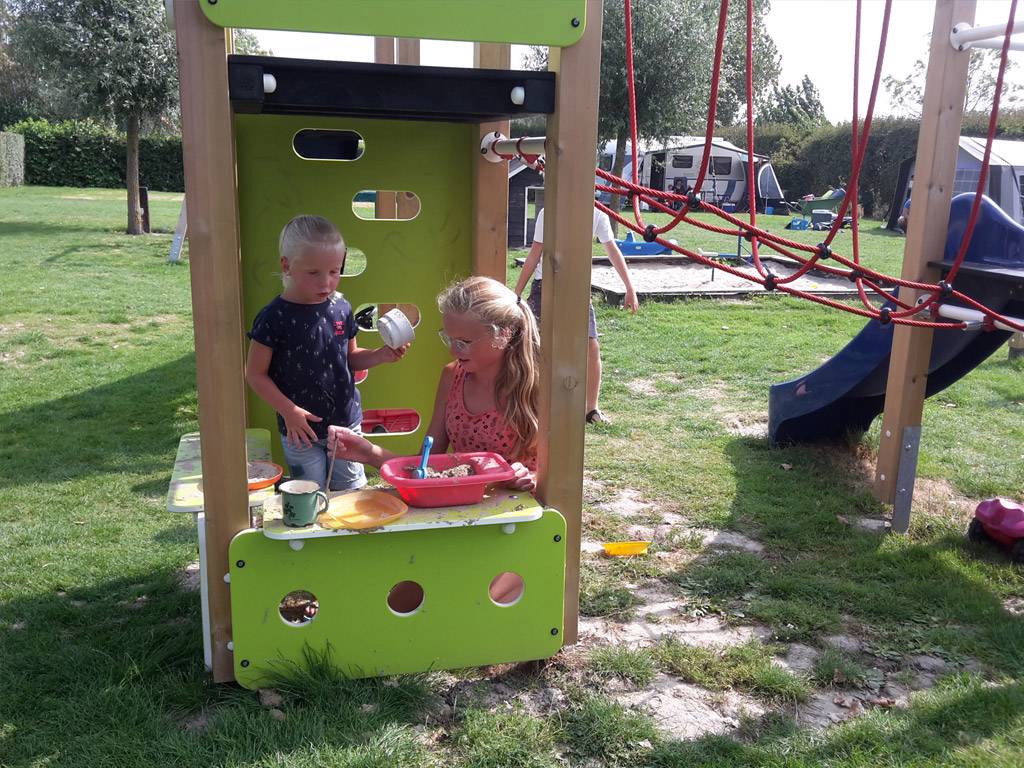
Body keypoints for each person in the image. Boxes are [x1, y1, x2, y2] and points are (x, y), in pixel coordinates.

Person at [328, 276, 538, 492]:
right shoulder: (453, 376)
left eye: (464, 342)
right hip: (466, 508)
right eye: (449, 339)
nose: (453, 351)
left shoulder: (536, 385)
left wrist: (531, 477)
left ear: (503, 334)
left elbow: (562, 474)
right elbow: (426, 465)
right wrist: (368, 453)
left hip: (522, 514)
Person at [245, 214, 409, 491]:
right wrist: (290, 411)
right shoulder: (273, 318)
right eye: (314, 273)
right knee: (310, 494)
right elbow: (255, 374)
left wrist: (380, 355)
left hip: (347, 425)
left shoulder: (341, 308)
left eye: (335, 271)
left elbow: (351, 359)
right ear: (286, 265)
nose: (326, 283)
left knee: (351, 493)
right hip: (301, 432)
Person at [514, 205, 639, 425]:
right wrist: (516, 293)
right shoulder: (549, 212)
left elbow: (612, 250)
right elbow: (536, 251)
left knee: (590, 345)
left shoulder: (597, 215)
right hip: (546, 284)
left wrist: (630, 287)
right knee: (535, 344)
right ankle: (531, 403)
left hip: (578, 287)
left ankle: (591, 409)